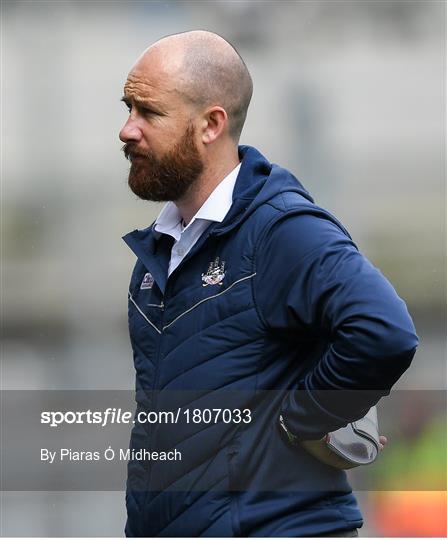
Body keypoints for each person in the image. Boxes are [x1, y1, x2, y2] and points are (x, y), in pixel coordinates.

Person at [119, 30, 418, 537]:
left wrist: (301, 419)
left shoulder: (280, 230)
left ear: (211, 124)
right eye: (127, 108)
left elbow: (384, 332)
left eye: (148, 112)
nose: (127, 129)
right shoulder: (156, 255)